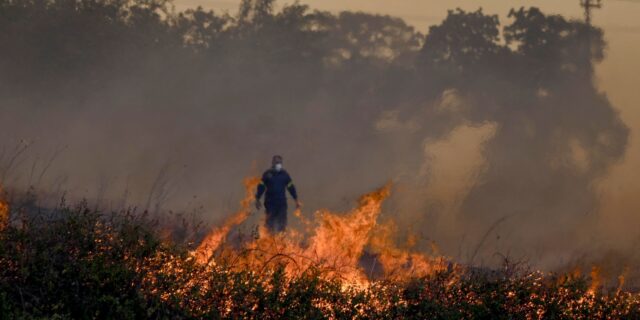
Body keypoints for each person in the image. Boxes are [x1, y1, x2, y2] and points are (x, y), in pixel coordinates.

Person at [255, 155, 300, 233]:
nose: (278, 164)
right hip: (270, 203)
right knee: (269, 224)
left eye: (279, 162)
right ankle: (269, 241)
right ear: (272, 163)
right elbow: (261, 187)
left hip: (281, 204)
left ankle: (281, 242)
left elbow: (291, 187)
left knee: (282, 224)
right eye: (276, 162)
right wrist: (257, 198)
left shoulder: (284, 175)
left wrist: (296, 199)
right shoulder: (267, 174)